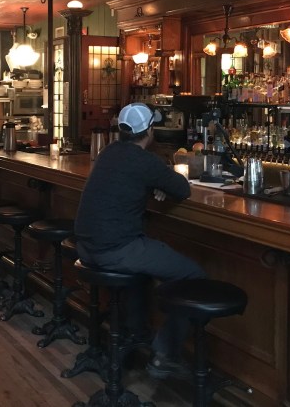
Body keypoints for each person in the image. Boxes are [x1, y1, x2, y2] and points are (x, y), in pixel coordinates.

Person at [74, 102, 205, 380]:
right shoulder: (145, 160)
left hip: (86, 246)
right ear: (149, 131)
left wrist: (154, 184)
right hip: (115, 250)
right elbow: (182, 189)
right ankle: (165, 354)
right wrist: (158, 183)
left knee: (144, 275)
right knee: (194, 275)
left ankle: (138, 333)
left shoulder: (109, 152)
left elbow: (128, 183)